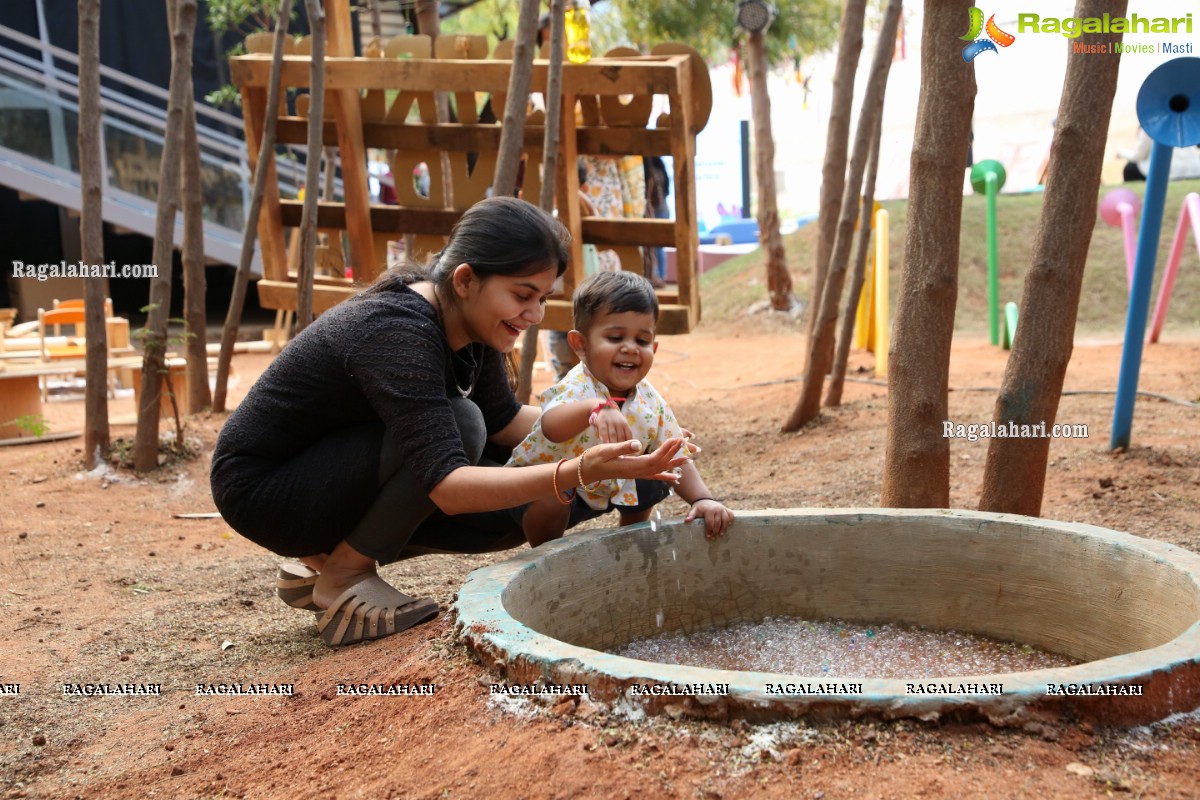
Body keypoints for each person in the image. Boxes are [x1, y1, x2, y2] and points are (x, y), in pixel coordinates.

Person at [210, 197, 690, 647]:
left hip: (327, 474)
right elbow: (448, 485)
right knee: (465, 428)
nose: (535, 314)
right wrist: (579, 470)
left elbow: (507, 422)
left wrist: (613, 419)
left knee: (507, 494)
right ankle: (344, 576)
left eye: (543, 298)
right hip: (267, 492)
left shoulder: (470, 324)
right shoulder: (398, 330)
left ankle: (324, 557)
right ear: (465, 280)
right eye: (523, 295)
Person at [506, 270, 734, 547]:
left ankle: (632, 539)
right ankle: (546, 554)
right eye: (615, 338)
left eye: (642, 340)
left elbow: (677, 454)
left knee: (658, 464)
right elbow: (551, 427)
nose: (630, 348)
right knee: (552, 488)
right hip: (549, 494)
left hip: (609, 487)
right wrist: (595, 408)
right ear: (581, 345)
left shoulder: (650, 400)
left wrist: (703, 499)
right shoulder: (577, 386)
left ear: (655, 346)